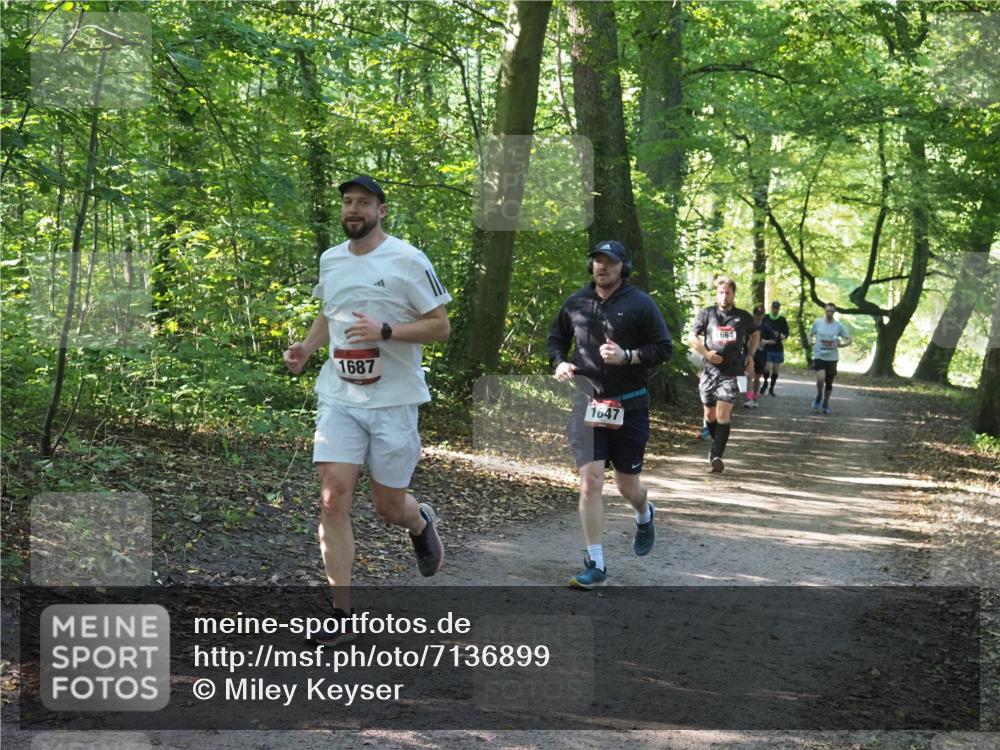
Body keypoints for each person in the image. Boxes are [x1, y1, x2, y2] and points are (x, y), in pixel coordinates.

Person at [283, 175, 451, 644]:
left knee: (388, 507)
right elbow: (329, 312)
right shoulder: (331, 260)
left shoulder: (408, 260)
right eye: (347, 202)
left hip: (393, 401)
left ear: (382, 210)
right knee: (333, 497)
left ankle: (420, 522)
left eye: (363, 202)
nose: (353, 209)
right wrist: (308, 348)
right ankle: (340, 616)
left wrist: (387, 331)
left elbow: (440, 327)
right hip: (339, 396)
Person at [548, 240, 673, 589]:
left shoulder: (641, 303)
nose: (601, 267)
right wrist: (560, 363)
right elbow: (555, 339)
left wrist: (628, 356)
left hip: (630, 405)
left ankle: (644, 513)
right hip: (587, 403)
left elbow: (664, 348)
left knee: (626, 485)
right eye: (597, 261)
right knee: (590, 482)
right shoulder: (575, 303)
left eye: (609, 262)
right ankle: (596, 563)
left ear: (623, 267)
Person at [688, 276, 760, 474]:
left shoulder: (743, 317)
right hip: (710, 371)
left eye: (728, 293)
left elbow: (755, 334)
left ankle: (716, 455)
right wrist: (706, 353)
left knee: (723, 413)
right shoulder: (707, 314)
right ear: (716, 294)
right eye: (721, 292)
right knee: (710, 414)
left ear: (734, 294)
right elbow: (691, 336)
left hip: (733, 371)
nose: (724, 296)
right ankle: (715, 444)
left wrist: (751, 355)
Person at [808, 302, 852, 415]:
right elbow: (810, 334)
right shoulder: (818, 323)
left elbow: (849, 338)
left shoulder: (838, 326)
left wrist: (843, 344)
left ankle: (826, 402)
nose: (830, 313)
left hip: (832, 358)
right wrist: (810, 341)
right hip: (819, 355)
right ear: (825, 311)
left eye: (832, 311)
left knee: (829, 383)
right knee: (820, 378)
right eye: (828, 311)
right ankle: (819, 395)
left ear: (834, 312)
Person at [744, 305, 773, 409]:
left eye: (761, 314)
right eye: (757, 313)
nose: (758, 316)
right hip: (749, 354)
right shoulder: (748, 325)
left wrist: (765, 342)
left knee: (756, 378)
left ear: (764, 315)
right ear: (753, 314)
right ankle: (749, 399)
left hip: (761, 355)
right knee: (748, 377)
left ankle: (755, 398)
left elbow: (774, 340)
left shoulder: (766, 327)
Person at [763, 300, 790, 396]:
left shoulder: (782, 320)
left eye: (777, 308)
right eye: (774, 308)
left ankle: (771, 388)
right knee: (767, 367)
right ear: (771, 308)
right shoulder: (766, 318)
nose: (775, 310)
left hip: (778, 348)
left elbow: (786, 334)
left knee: (775, 370)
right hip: (767, 347)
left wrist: (783, 336)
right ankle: (765, 382)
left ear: (779, 309)